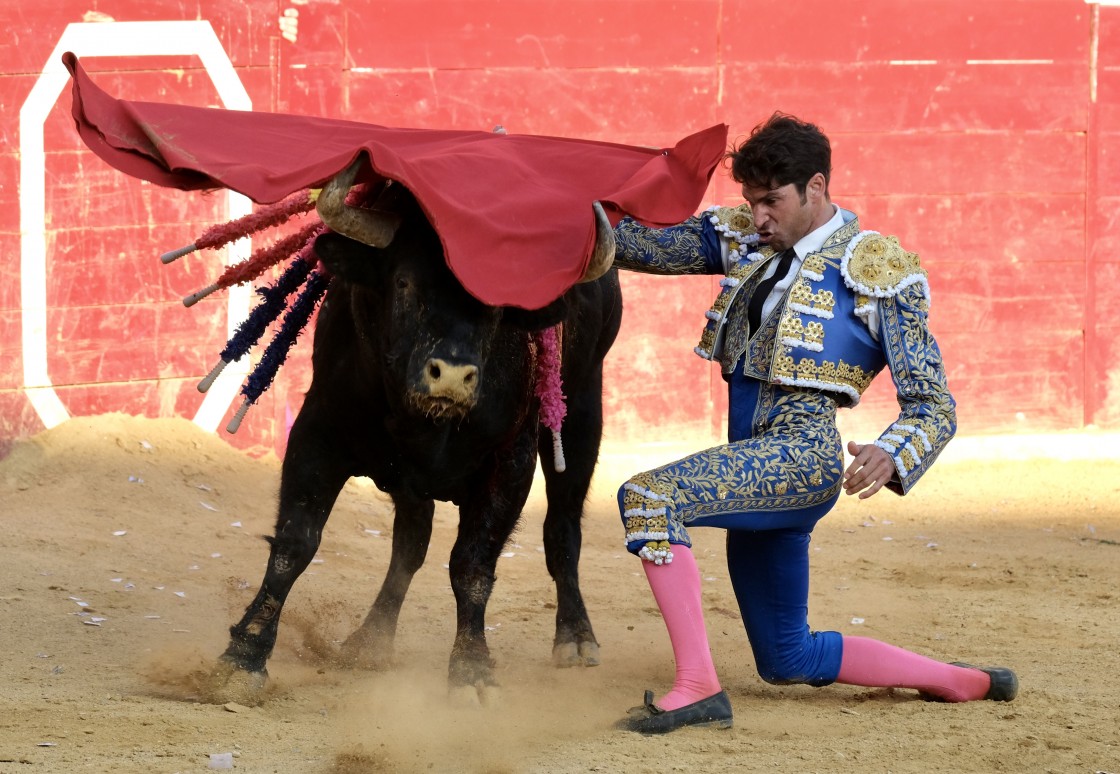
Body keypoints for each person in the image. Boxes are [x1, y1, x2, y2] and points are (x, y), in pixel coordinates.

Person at [610, 113, 1017, 735]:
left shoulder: (875, 270)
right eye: (751, 201)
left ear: (817, 188)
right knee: (787, 658)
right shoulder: (748, 239)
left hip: (801, 456)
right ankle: (964, 681)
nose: (759, 216)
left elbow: (934, 403)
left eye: (772, 201)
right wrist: (555, 188)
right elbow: (636, 244)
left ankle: (697, 688)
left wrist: (893, 450)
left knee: (648, 497)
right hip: (753, 459)